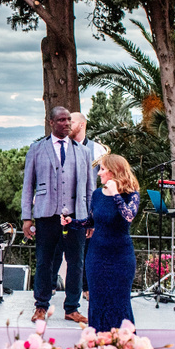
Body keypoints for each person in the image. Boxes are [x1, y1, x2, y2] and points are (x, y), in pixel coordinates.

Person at [21, 106, 96, 324]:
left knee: (76, 262)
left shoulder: (83, 151)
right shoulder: (36, 149)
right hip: (46, 215)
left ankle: (72, 307)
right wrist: (27, 218)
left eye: (69, 120)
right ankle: (41, 306)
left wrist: (90, 218)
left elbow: (90, 188)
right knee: (44, 261)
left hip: (77, 216)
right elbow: (28, 186)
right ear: (51, 122)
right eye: (62, 120)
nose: (66, 124)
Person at [85, 154, 140, 332]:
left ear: (113, 171)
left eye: (102, 169)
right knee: (97, 300)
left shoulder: (132, 195)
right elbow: (91, 222)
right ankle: (98, 347)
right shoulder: (96, 194)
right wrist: (72, 222)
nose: (99, 173)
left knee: (119, 300)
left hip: (121, 256)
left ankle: (123, 347)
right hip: (97, 254)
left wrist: (115, 193)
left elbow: (128, 216)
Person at [70, 111, 108, 300]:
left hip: (86, 206)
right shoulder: (62, 146)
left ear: (83, 124)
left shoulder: (98, 150)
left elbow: (105, 183)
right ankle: (52, 286)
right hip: (65, 206)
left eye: (72, 121)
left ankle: (87, 287)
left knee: (87, 250)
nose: (68, 124)